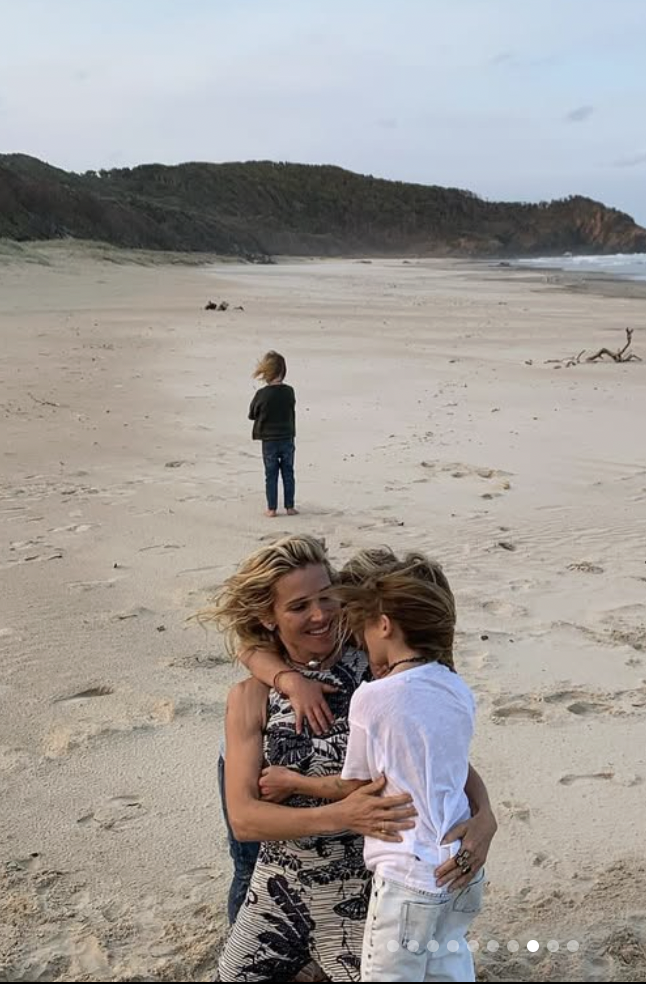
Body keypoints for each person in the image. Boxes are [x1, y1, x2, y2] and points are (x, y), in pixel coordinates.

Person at [203, 535, 496, 982]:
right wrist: (345, 814)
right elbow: (246, 818)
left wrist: (485, 814)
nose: (320, 615)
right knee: (243, 880)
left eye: (327, 599)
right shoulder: (252, 694)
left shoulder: (378, 671)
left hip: (367, 890)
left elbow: (435, 756)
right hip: (282, 881)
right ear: (269, 617)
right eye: (299, 607)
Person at [327, 548, 485, 982]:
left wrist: (290, 781)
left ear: (384, 625)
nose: (361, 640)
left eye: (364, 628)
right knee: (450, 967)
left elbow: (357, 784)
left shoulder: (372, 698)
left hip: (405, 875)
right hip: (460, 870)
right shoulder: (458, 689)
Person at [249, 349, 297, 517]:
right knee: (288, 472)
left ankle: (271, 508)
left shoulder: (261, 394)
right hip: (287, 437)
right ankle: (290, 506)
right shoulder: (289, 391)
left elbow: (252, 414)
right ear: (283, 372)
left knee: (271, 474)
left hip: (269, 440)